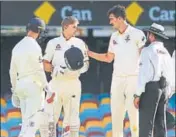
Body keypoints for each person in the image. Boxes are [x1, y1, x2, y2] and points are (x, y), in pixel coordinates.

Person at [88, 5, 146, 137]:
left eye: (112, 19)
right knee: (116, 116)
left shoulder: (137, 34)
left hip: (133, 78)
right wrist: (89, 53)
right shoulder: (114, 36)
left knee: (134, 116)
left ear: (120, 19)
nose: (110, 22)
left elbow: (144, 58)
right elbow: (109, 58)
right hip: (117, 80)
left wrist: (143, 82)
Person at [43, 16, 89, 137]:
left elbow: (86, 64)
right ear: (65, 27)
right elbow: (45, 63)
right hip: (56, 83)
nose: (76, 29)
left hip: (73, 82)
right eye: (74, 27)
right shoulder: (53, 43)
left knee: (72, 118)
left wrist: (76, 69)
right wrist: (54, 68)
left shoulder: (80, 43)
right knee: (51, 117)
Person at [9, 17, 55, 137]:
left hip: (20, 87)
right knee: (31, 126)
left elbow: (12, 72)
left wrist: (15, 91)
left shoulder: (17, 47)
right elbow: (39, 70)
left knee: (26, 125)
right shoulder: (35, 47)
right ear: (39, 31)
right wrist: (47, 89)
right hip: (33, 87)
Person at [133, 23, 175, 137]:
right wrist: (168, 92)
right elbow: (171, 75)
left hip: (151, 88)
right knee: (161, 124)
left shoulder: (147, 51)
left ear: (152, 36)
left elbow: (144, 75)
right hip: (165, 88)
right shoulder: (166, 52)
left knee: (146, 125)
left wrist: (137, 94)